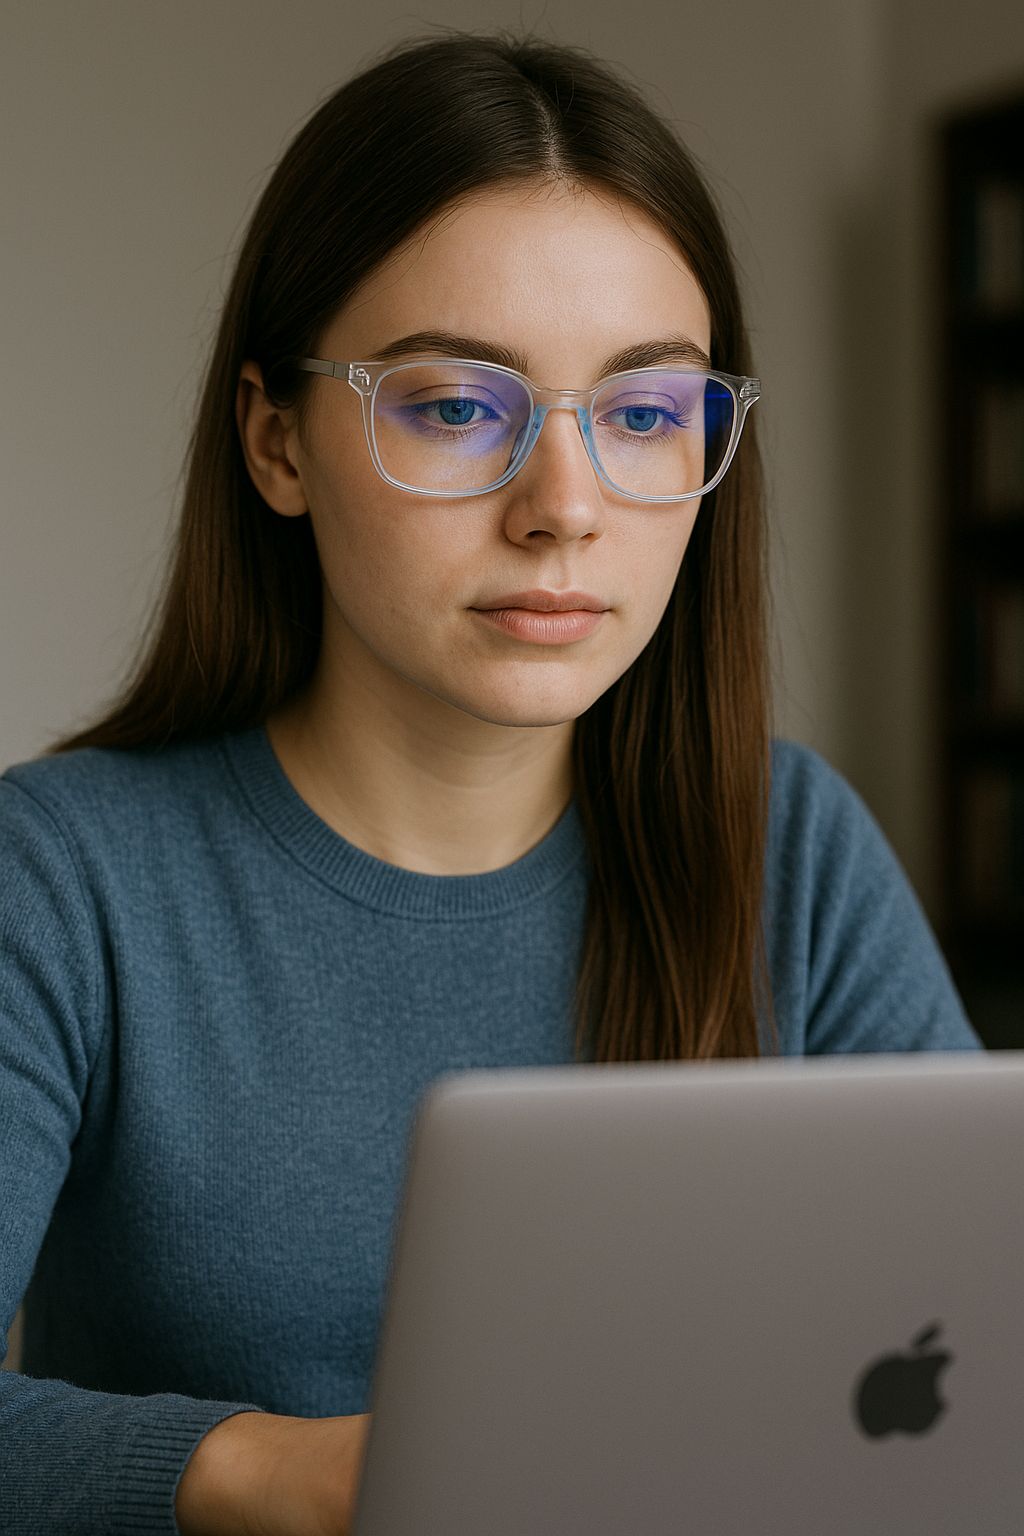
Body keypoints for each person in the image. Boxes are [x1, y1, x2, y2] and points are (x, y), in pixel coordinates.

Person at [0, 25, 983, 1536]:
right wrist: (299, 1475)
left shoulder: (791, 850)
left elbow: (971, 1359)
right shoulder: (63, 882)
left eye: (645, 414)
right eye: (459, 407)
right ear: (277, 441)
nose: (564, 509)